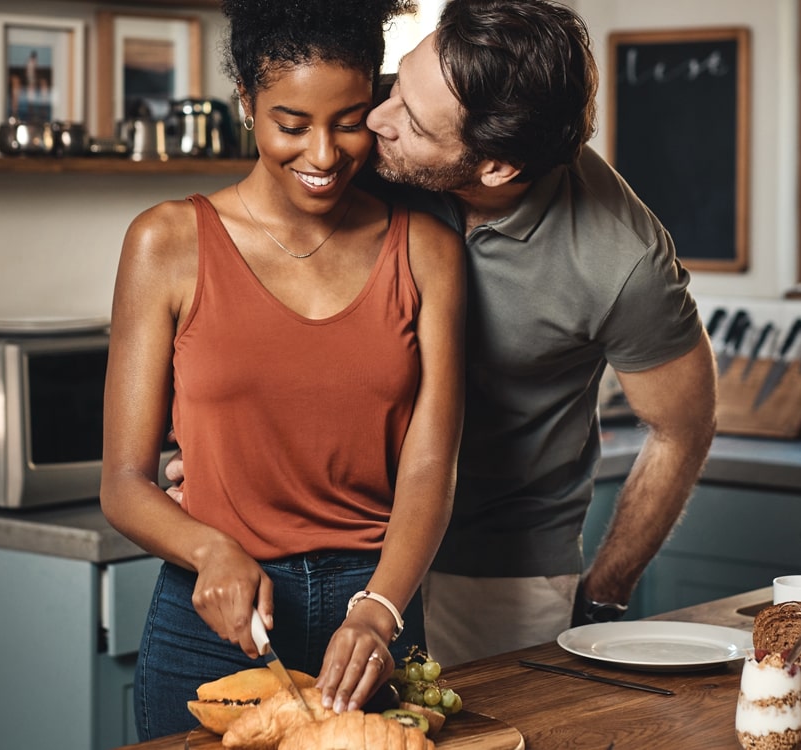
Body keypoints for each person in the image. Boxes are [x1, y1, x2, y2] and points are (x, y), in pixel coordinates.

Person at [168, 0, 717, 667]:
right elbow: (256, 295)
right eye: (397, 83)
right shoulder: (360, 142)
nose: (376, 119)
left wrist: (601, 598)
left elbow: (682, 426)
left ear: (493, 167)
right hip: (342, 547)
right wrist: (211, 449)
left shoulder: (621, 261)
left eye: (413, 121)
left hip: (498, 566)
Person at [100, 0, 465, 740]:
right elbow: (124, 483)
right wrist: (211, 549)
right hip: (215, 618)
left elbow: (430, 466)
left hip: (373, 617)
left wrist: (381, 608)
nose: (324, 154)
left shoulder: (427, 250)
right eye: (291, 124)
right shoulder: (166, 242)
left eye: (350, 119)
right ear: (246, 102)